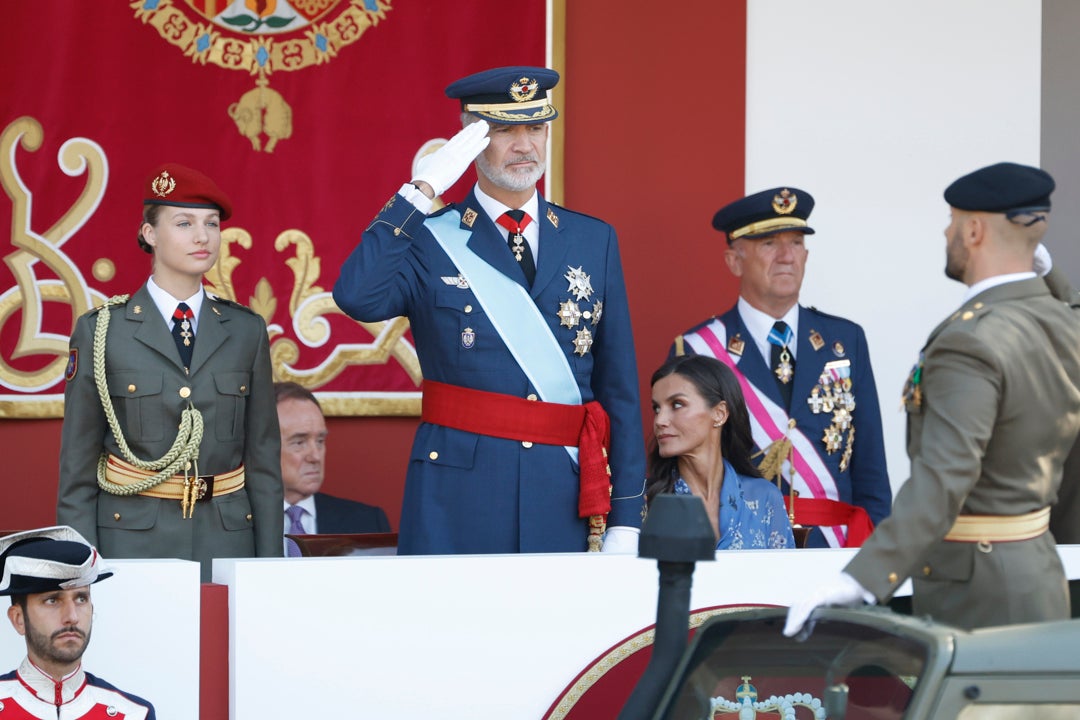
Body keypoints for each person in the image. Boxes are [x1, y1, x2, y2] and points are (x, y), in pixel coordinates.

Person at [332, 66, 646, 554]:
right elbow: (357, 295)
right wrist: (418, 195)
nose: (525, 145)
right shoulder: (431, 236)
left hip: (564, 494)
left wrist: (627, 517)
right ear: (471, 139)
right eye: (505, 130)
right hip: (458, 496)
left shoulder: (592, 239)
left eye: (536, 127)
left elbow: (619, 389)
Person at [785, 162, 1080, 635]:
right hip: (1039, 574)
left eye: (953, 221)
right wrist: (1038, 267)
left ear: (975, 230)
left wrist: (860, 579)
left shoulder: (972, 341)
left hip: (978, 592)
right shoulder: (1061, 322)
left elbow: (945, 476)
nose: (947, 233)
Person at [57, 163, 283, 582]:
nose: (202, 236)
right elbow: (77, 472)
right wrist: (82, 576)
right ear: (150, 234)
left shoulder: (246, 330)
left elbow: (264, 464)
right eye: (184, 223)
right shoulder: (102, 330)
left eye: (211, 224)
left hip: (228, 540)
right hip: (131, 542)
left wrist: (269, 568)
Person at [670, 187, 891, 548]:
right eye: (769, 244)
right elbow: (684, 469)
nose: (787, 256)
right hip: (742, 545)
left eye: (796, 243)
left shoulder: (845, 341)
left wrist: (878, 555)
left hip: (832, 546)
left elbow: (871, 470)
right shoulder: (697, 350)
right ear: (734, 261)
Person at [1, 526, 156, 718]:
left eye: (81, 598)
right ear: (18, 619)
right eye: (52, 600)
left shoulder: (133, 714)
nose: (72, 616)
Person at [648, 355, 795, 549]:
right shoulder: (642, 502)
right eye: (657, 409)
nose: (660, 420)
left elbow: (785, 577)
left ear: (719, 413)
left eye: (677, 404)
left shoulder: (764, 497)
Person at [275, 382, 391, 556]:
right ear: (262, 448)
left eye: (320, 441)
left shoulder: (367, 523)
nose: (315, 456)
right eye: (299, 442)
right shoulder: (233, 527)